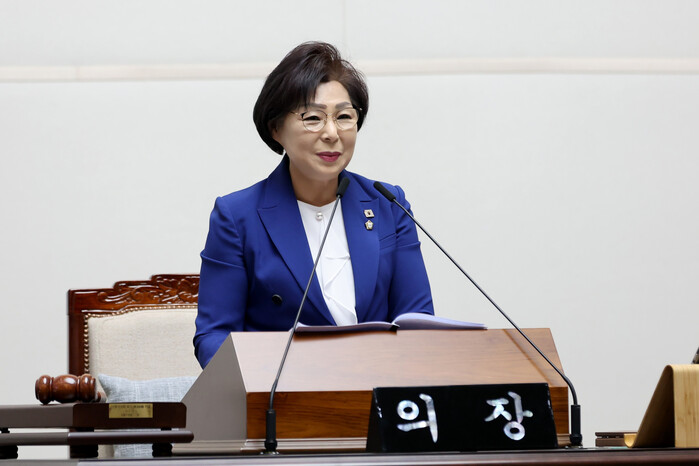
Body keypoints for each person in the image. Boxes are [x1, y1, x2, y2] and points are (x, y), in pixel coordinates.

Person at [194, 42, 433, 367]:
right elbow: (214, 337)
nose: (332, 133)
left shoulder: (388, 205)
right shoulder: (237, 217)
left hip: (377, 388)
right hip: (284, 393)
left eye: (344, 116)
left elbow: (418, 324)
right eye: (313, 118)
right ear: (276, 128)